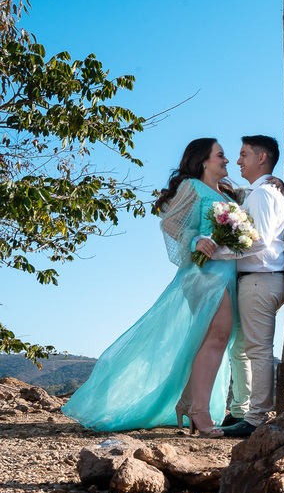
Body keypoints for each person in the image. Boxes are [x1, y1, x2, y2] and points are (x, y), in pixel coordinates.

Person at [62, 138, 239, 437]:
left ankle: (187, 402)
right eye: (220, 155)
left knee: (213, 340)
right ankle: (199, 411)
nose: (227, 160)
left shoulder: (229, 195)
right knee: (216, 337)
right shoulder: (192, 188)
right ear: (203, 161)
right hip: (203, 273)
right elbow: (170, 223)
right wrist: (197, 240)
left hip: (228, 273)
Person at [194, 135, 284, 438]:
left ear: (262, 158)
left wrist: (216, 251)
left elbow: (257, 242)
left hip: (260, 278)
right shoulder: (256, 193)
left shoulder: (263, 195)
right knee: (244, 349)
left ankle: (256, 419)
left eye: (244, 154)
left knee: (258, 350)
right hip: (254, 281)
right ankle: (241, 412)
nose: (237, 160)